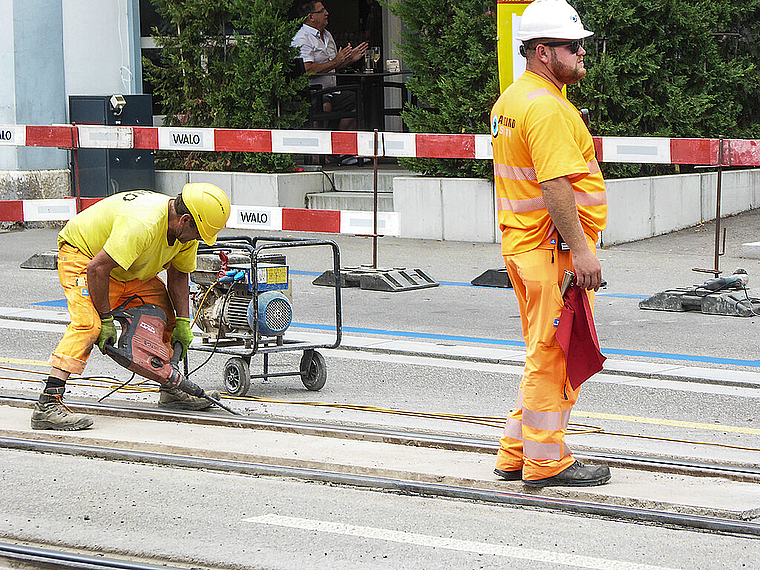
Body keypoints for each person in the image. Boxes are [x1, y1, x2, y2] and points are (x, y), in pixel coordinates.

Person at [489, 0, 611, 487]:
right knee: (554, 355)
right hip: (553, 251)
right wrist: (582, 251)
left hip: (524, 247)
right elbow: (556, 184)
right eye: (571, 46)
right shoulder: (547, 108)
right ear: (543, 52)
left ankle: (515, 451)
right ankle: (546, 461)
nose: (582, 53)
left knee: (542, 349)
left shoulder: (512, 101)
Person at [31, 184, 231, 431]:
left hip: (127, 267)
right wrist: (105, 319)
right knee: (88, 325)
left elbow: (178, 273)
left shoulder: (185, 228)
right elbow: (97, 269)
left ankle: (170, 389)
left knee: (167, 318)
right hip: (85, 258)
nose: (199, 239)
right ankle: (48, 403)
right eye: (198, 233)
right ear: (185, 220)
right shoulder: (142, 224)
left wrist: (182, 322)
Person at [292, 1, 368, 131]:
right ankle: (320, 147)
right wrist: (336, 62)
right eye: (322, 11)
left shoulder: (327, 35)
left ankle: (343, 147)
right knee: (324, 106)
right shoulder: (302, 38)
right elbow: (307, 70)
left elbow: (332, 66)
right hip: (313, 92)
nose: (327, 13)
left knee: (355, 99)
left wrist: (349, 60)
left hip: (332, 90)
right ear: (311, 17)